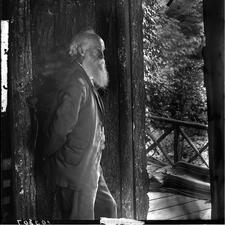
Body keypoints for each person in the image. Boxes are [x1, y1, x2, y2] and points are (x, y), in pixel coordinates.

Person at [43, 28, 117, 220]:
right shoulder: (76, 83)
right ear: (82, 52)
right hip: (76, 172)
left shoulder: (87, 81)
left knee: (108, 209)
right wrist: (46, 155)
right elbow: (60, 129)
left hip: (92, 168)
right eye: (97, 51)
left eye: (102, 51)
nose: (102, 56)